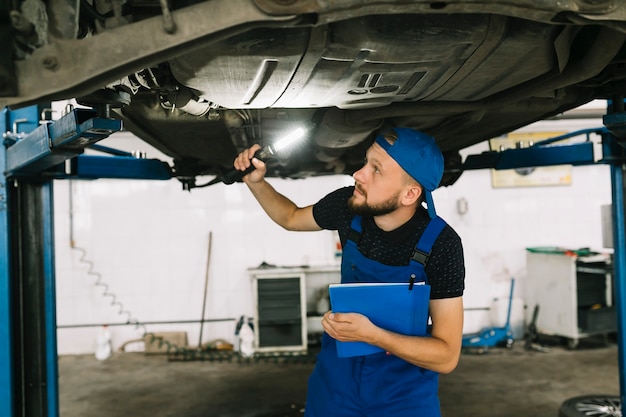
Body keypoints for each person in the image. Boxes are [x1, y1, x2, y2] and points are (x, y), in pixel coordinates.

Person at [233, 127, 465, 417]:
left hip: (404, 394)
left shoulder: (441, 244)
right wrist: (257, 183)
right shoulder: (348, 206)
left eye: (376, 170)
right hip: (337, 384)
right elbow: (291, 217)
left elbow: (446, 356)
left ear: (410, 194)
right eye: (367, 161)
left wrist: (374, 335)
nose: (359, 174)